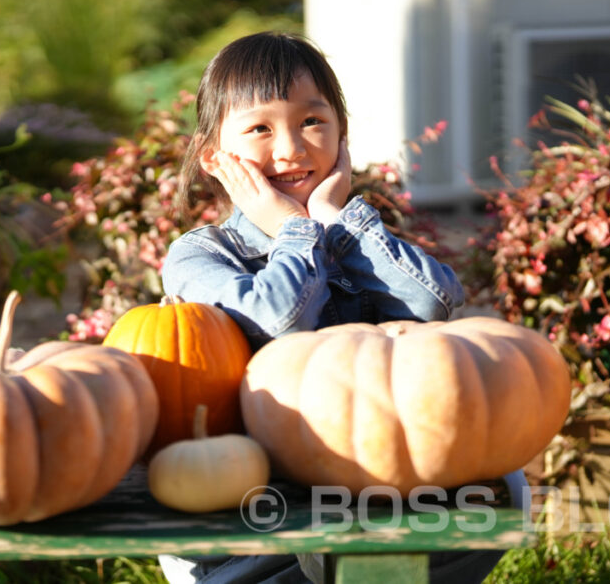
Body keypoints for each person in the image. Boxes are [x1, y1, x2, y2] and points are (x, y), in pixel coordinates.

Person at [158, 31, 524, 584]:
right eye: (260, 128)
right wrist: (292, 231)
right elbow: (278, 325)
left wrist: (336, 219)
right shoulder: (201, 255)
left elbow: (433, 305)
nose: (291, 149)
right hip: (254, 498)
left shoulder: (351, 242)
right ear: (214, 157)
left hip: (365, 473)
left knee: (506, 488)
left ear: (341, 136)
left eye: (311, 121)